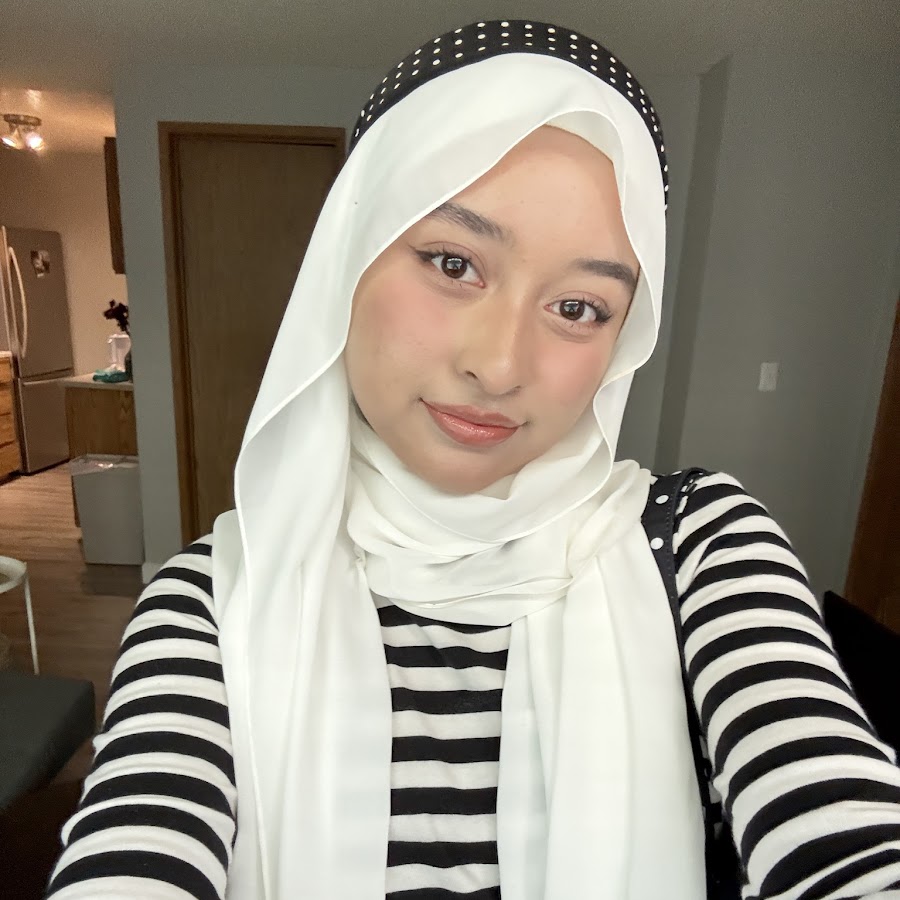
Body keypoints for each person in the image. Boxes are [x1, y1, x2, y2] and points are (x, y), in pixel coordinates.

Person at [46, 19, 900, 900]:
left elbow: (836, 820)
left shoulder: (698, 547)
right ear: (348, 256)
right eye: (453, 262)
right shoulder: (215, 600)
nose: (498, 365)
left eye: (579, 307)